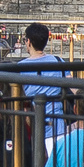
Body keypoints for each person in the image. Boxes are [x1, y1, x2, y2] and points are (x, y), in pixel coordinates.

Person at [17, 22, 66, 152]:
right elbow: (73, 86)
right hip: (57, 124)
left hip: (33, 125)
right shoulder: (58, 61)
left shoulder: (20, 67)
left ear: (28, 42)